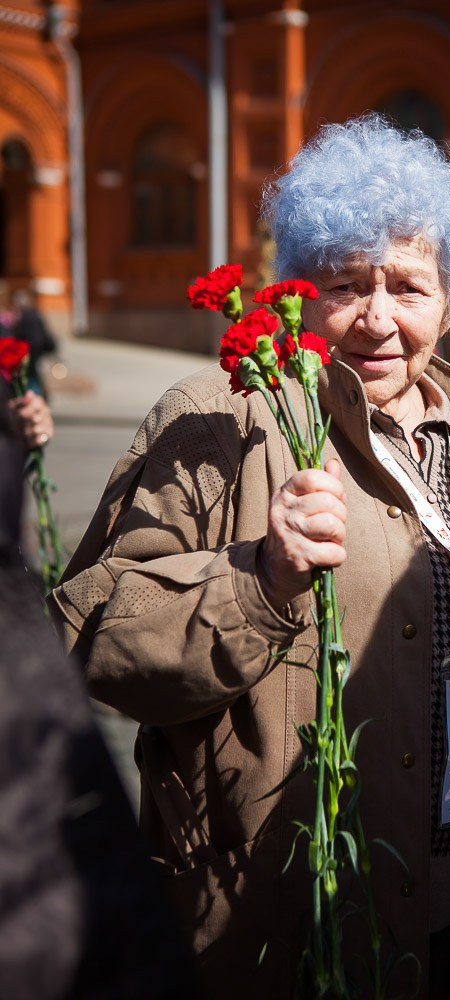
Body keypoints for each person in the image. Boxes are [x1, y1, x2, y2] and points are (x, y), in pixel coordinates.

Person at [48, 116, 450, 999]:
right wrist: (257, 579)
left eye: (407, 287)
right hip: (287, 916)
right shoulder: (221, 414)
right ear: (298, 288)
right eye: (344, 285)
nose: (377, 318)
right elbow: (91, 637)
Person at [0, 371, 198, 999]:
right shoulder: (197, 410)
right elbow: (101, 619)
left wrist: (16, 433)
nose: (379, 323)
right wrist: (260, 587)